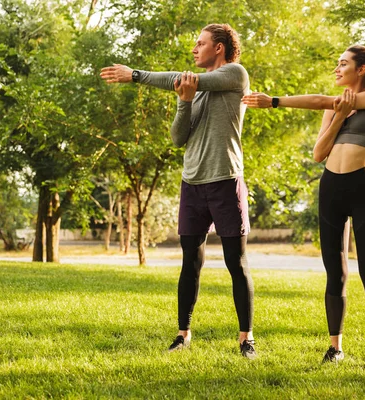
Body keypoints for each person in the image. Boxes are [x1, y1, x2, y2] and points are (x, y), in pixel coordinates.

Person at [100, 24, 256, 359]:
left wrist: (136, 75)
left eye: (200, 44)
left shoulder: (235, 75)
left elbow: (184, 78)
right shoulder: (193, 90)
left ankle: (246, 339)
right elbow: (177, 138)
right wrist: (183, 102)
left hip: (225, 179)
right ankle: (183, 334)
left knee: (236, 263)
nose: (194, 49)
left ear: (219, 47)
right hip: (192, 183)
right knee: (191, 262)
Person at [242, 45, 365, 368]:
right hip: (331, 189)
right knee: (334, 274)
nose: (337, 69)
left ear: (362, 69)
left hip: (361, 188)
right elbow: (318, 153)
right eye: (336, 64)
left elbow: (322, 99)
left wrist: (275, 101)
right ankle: (335, 347)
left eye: (343, 64)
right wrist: (338, 116)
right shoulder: (333, 108)